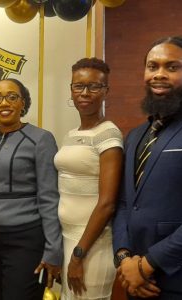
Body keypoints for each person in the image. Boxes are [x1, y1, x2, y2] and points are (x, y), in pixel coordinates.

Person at [113, 36, 182, 299]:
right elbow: (125, 205)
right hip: (136, 281)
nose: (159, 74)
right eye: (153, 66)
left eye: (172, 67)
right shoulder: (136, 135)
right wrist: (124, 258)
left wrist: (147, 265)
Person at [0, 78, 62, 300]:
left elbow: (49, 197)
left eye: (12, 97)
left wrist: (53, 249)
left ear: (23, 103)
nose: (4, 103)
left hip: (25, 240)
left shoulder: (41, 139)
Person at [55, 58, 123, 300]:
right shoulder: (72, 135)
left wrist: (78, 254)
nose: (85, 93)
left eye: (94, 87)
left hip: (92, 245)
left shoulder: (108, 134)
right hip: (68, 238)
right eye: (78, 86)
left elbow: (107, 204)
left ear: (106, 91)